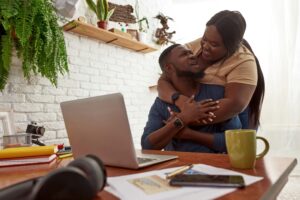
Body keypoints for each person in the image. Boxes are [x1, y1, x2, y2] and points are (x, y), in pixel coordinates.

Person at [157, 10, 265, 129]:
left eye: (214, 44)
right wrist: (180, 100)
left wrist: (181, 121)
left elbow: (234, 105)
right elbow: (164, 79)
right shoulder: (196, 45)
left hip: (230, 117)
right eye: (204, 39)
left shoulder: (243, 61)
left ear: (231, 47)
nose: (205, 47)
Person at [141, 44, 242, 153]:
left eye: (191, 53)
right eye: (184, 54)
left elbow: (236, 141)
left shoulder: (217, 92)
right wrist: (182, 119)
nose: (192, 56)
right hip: (175, 168)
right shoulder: (161, 103)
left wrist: (190, 134)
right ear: (169, 68)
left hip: (213, 167)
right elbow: (147, 146)